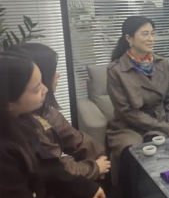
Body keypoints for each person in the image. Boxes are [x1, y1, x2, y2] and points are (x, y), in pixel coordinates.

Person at [0, 52, 132, 198]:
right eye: (36, 88)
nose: (45, 89)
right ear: (8, 102)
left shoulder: (23, 121)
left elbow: (48, 166)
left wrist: (84, 189)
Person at [10, 43, 109, 181]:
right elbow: (56, 168)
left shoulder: (48, 113)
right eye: (53, 71)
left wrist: (102, 157)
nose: (58, 75)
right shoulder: (25, 125)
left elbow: (76, 140)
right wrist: (95, 168)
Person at [107, 16, 169, 171]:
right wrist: (166, 128)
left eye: (152, 34)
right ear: (129, 39)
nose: (151, 39)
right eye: (145, 34)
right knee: (134, 152)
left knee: (166, 146)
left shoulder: (163, 63)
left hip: (160, 122)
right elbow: (126, 112)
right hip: (129, 127)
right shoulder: (116, 71)